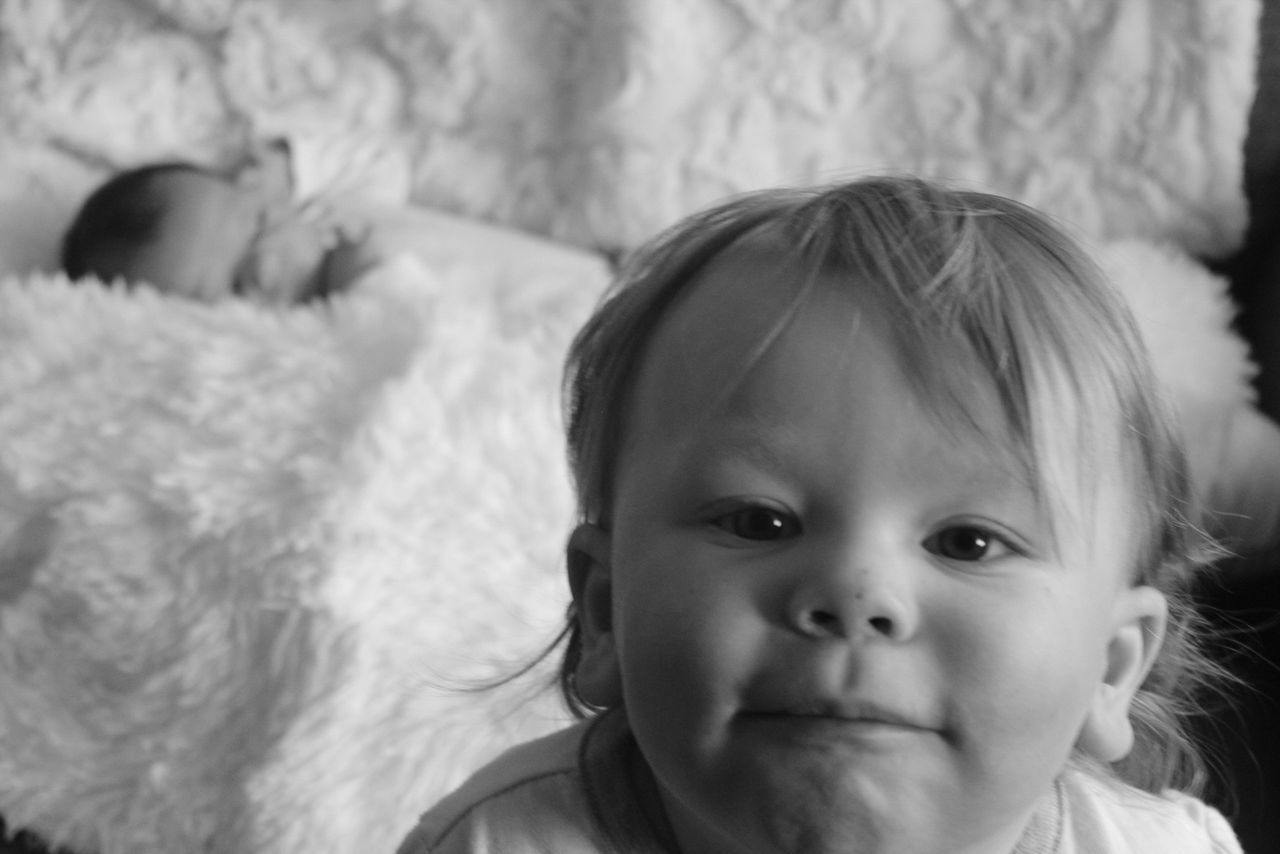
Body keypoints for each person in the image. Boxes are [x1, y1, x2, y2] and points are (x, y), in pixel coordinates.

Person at [395, 175, 1242, 853]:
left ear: (1110, 666)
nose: (854, 591)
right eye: (760, 521)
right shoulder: (502, 840)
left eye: (967, 542)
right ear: (607, 613)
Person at [60, 140, 393, 305]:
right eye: (236, 286)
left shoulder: (329, 213)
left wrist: (290, 168)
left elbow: (388, 165)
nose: (265, 265)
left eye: (259, 223)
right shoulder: (313, 345)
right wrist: (368, 284)